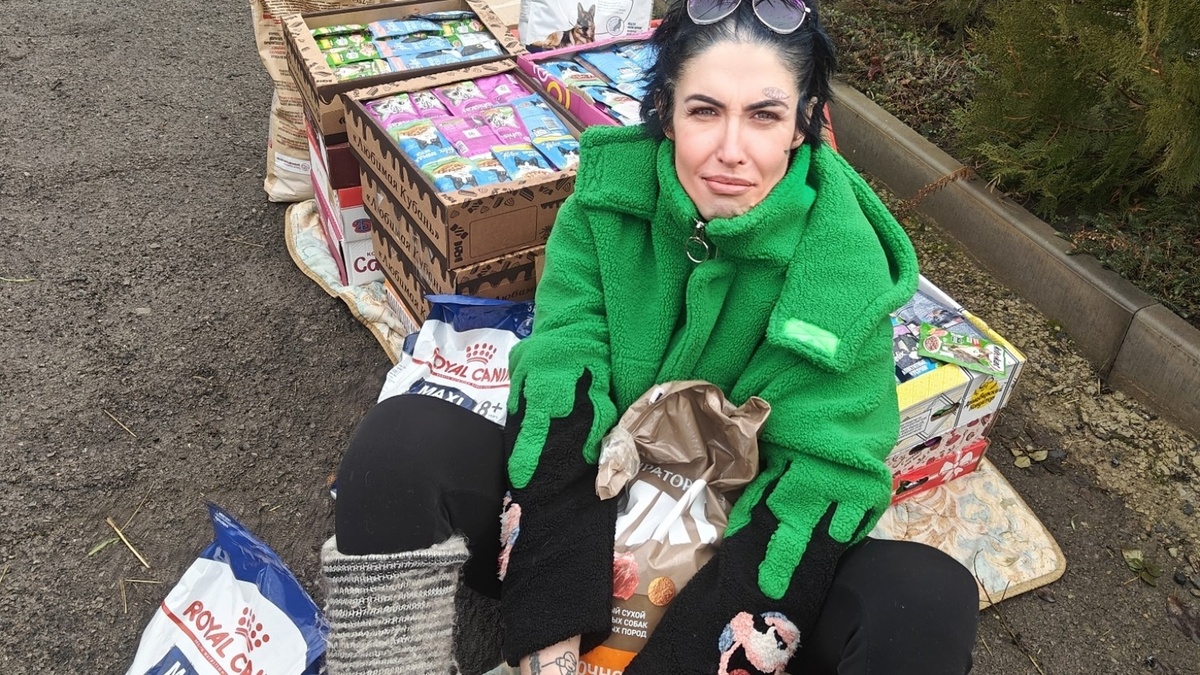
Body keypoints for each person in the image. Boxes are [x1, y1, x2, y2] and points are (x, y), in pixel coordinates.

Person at [323, 0, 981, 673]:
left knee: (928, 598)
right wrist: (550, 633)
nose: (732, 150)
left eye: (764, 115)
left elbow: (821, 477)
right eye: (705, 111)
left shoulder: (844, 272)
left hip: (735, 561)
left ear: (801, 122)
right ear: (665, 111)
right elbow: (561, 379)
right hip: (588, 509)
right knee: (399, 440)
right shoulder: (607, 207)